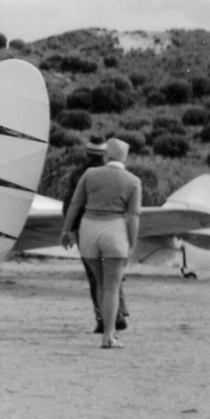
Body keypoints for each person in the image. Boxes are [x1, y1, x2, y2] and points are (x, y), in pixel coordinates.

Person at [61, 138, 141, 349]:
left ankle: (103, 324)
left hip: (88, 229)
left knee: (100, 283)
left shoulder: (89, 175)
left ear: (108, 155)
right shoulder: (133, 181)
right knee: (113, 287)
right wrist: (132, 243)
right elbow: (133, 216)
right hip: (114, 230)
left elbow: (75, 203)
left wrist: (66, 230)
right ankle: (109, 335)